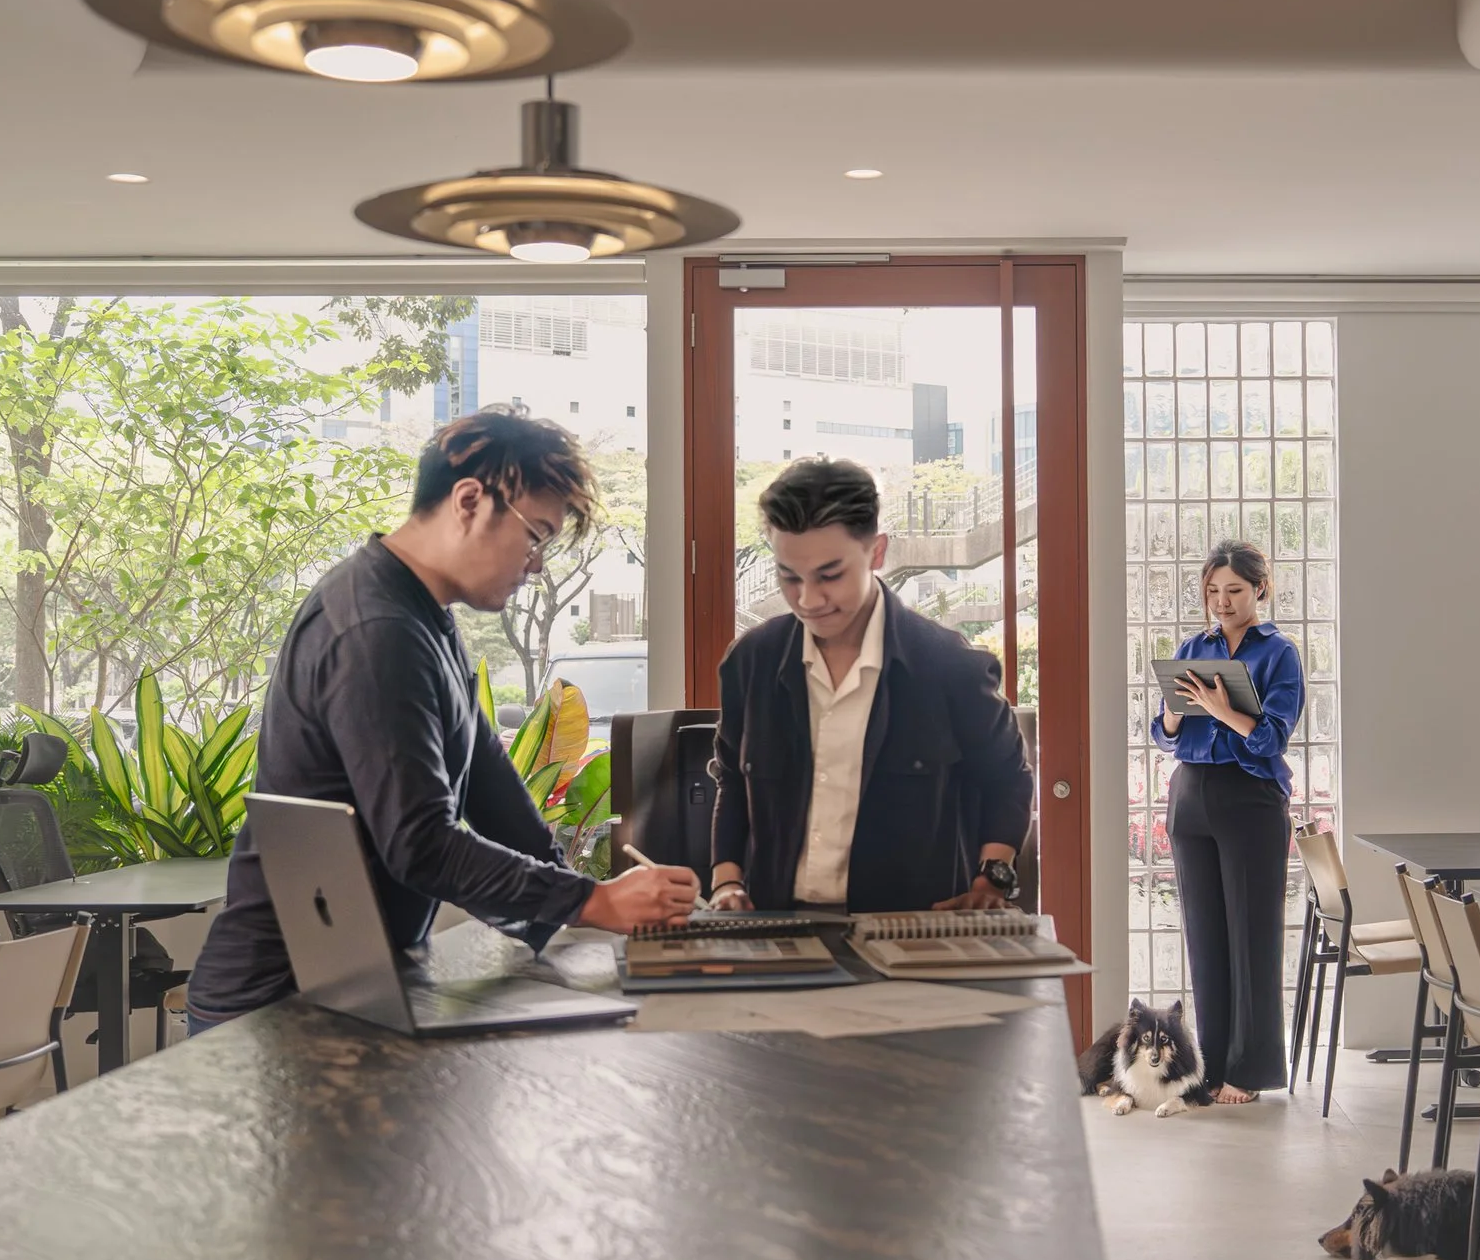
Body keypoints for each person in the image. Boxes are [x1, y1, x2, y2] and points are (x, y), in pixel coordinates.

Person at [186, 409, 700, 1031]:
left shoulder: (422, 616)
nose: (537, 563)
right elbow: (419, 844)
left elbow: (491, 788)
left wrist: (585, 900)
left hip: (350, 978)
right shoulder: (376, 629)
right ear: (468, 500)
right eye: (535, 535)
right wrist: (589, 901)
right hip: (279, 997)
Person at [710, 458, 1033, 915]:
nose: (808, 599)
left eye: (829, 575)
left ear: (877, 552)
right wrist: (727, 882)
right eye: (789, 576)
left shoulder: (951, 667)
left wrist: (993, 879)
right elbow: (730, 777)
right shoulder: (751, 662)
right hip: (776, 925)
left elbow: (1008, 777)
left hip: (912, 931)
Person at [1154, 540, 1305, 1105]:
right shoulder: (1194, 646)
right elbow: (1162, 733)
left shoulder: (1279, 653)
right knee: (1205, 935)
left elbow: (1270, 737)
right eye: (1213, 591)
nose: (1222, 601)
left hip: (1251, 799)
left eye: (1234, 591)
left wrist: (1222, 709)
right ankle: (1211, 1067)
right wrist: (1172, 713)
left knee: (1253, 935)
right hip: (1190, 794)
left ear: (1259, 589)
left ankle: (1250, 1069)